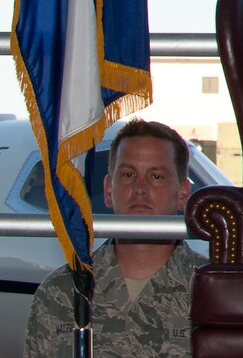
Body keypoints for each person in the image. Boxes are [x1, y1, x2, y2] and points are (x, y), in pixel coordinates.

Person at [24, 121, 200, 358]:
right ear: (108, 190)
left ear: (182, 194)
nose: (140, 188)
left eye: (156, 176)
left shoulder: (211, 291)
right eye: (128, 175)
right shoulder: (62, 293)